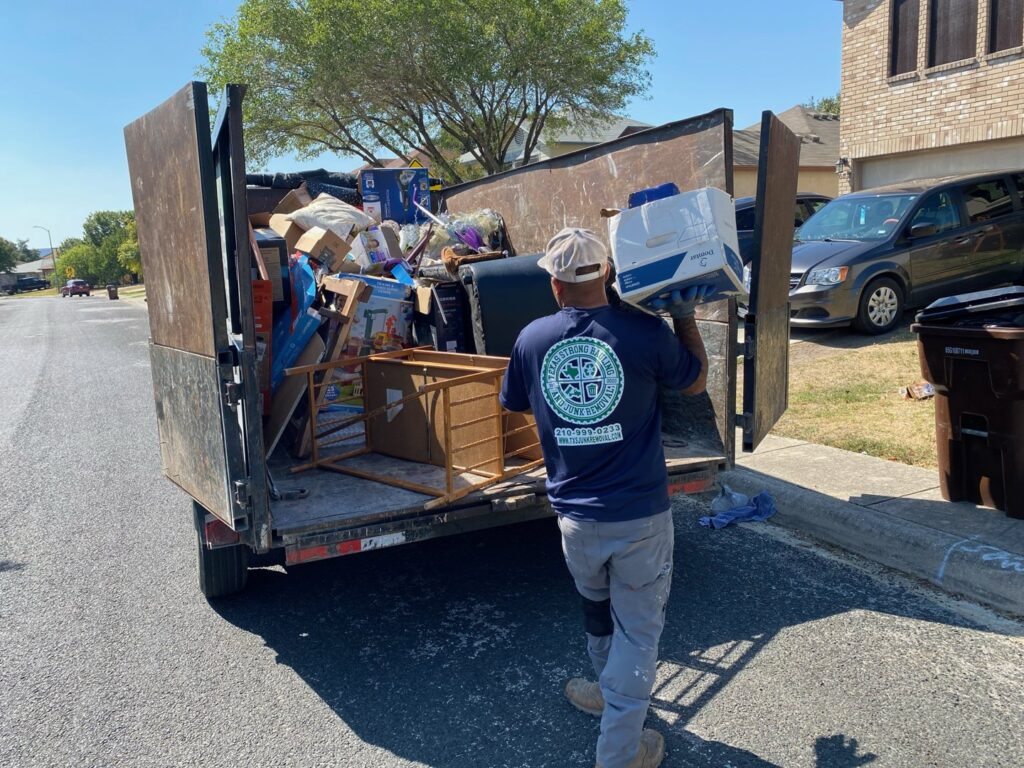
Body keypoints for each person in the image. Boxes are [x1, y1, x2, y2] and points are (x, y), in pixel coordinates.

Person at [500, 228, 709, 768]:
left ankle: (608, 694)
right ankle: (619, 754)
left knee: (598, 615)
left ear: (554, 284)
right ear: (609, 274)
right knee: (638, 634)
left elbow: (517, 405)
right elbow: (694, 383)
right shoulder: (646, 333)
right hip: (640, 518)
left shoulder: (531, 340)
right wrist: (685, 318)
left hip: (575, 521)